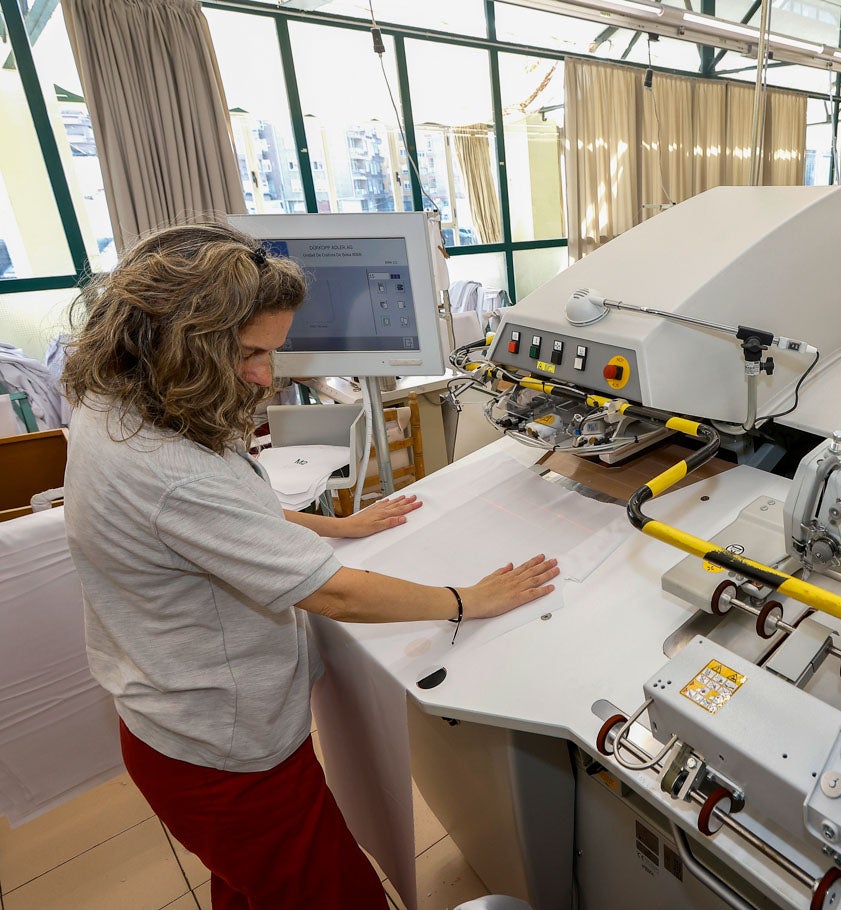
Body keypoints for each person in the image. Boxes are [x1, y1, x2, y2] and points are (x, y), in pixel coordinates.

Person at [60, 222, 560, 910]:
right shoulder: (167, 466)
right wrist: (468, 599)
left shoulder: (113, 400)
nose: (266, 376)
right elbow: (339, 595)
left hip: (178, 729)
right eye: (248, 354)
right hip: (227, 755)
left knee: (251, 888)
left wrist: (336, 524)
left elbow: (215, 521)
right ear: (172, 337)